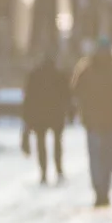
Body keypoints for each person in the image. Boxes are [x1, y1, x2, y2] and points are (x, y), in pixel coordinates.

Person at [70, 37, 112, 208]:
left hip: (93, 121)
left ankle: (99, 189)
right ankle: (104, 189)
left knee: (96, 157)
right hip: (110, 121)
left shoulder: (87, 71)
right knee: (107, 156)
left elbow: (76, 92)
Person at [20, 49, 72, 184]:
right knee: (57, 143)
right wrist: (69, 112)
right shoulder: (59, 75)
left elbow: (28, 97)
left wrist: (27, 117)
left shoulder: (35, 75)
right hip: (56, 114)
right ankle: (59, 169)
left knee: (41, 143)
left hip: (40, 115)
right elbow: (67, 95)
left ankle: (43, 172)